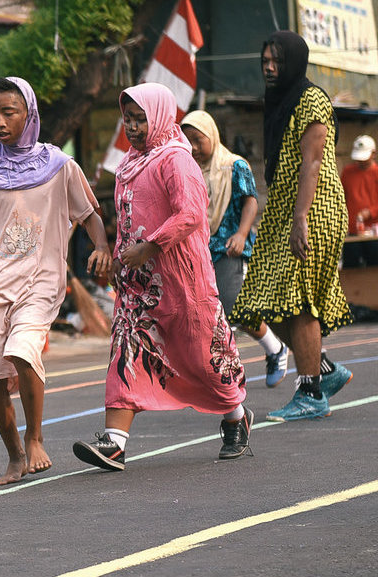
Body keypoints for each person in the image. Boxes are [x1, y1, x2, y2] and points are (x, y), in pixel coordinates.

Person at [72, 83, 254, 472]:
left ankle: (237, 416)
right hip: (140, 285)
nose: (133, 127)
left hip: (183, 280)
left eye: (140, 119)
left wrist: (149, 248)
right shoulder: (128, 165)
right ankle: (115, 442)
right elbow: (125, 223)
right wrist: (120, 261)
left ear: (159, 116)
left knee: (203, 357)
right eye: (128, 119)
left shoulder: (176, 160)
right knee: (126, 351)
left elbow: (191, 213)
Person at [0, 77, 112, 485]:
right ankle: (15, 455)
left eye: (9, 112)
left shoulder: (59, 166)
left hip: (41, 279)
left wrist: (103, 247)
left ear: (30, 114)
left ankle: (35, 437)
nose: (0, 122)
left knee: (22, 349)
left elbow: (89, 213)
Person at [232, 31, 354, 422]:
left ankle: (311, 392)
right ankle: (326, 370)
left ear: (294, 63)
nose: (269, 67)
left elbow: (313, 163)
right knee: (260, 300)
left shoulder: (311, 99)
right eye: (265, 60)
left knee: (297, 299)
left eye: (277, 61)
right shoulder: (279, 100)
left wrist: (300, 219)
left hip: (313, 211)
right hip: (284, 212)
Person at [179, 111, 290, 387]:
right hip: (199, 251)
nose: (193, 147)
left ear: (212, 136)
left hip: (229, 247)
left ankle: (275, 347)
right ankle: (220, 377)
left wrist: (241, 234)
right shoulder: (186, 169)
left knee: (234, 307)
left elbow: (250, 201)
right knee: (202, 315)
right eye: (187, 141)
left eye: (198, 140)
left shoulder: (233, 165)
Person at [340, 134, 378, 267]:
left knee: (374, 267)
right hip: (352, 232)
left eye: (364, 158)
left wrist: (371, 212)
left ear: (373, 154)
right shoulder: (347, 172)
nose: (360, 162)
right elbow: (341, 197)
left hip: (374, 233)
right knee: (350, 267)